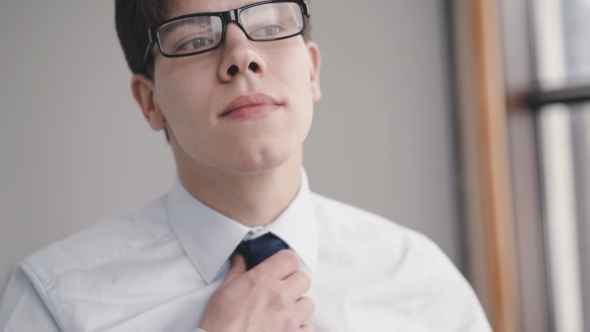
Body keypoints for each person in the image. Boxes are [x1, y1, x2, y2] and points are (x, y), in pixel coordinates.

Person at [0, 0, 491, 331]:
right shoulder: (56, 300)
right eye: (194, 40)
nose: (242, 56)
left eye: (271, 29)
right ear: (149, 102)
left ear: (313, 71)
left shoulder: (419, 280)